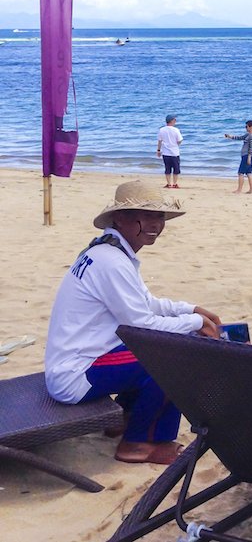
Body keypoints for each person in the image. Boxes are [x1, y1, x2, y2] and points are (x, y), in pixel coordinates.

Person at [45, 180, 222, 464]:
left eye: (159, 215)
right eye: (145, 215)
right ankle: (139, 442)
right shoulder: (112, 261)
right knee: (174, 357)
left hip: (78, 360)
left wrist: (190, 310)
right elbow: (142, 325)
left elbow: (144, 302)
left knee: (161, 346)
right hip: (76, 373)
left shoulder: (108, 252)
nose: (154, 223)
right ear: (120, 218)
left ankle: (127, 417)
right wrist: (194, 322)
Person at [224, 120, 252, 194]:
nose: (245, 128)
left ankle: (239, 190)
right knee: (249, 173)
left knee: (240, 173)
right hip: (247, 156)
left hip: (247, 156)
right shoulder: (248, 134)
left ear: (251, 127)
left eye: (246, 126)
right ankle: (250, 190)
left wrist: (249, 157)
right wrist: (230, 137)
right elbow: (240, 137)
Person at [157, 114, 183, 189]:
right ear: (172, 121)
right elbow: (180, 140)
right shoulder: (176, 130)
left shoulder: (161, 130)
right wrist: (176, 144)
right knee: (176, 169)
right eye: (175, 120)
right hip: (174, 152)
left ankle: (168, 184)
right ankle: (174, 184)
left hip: (165, 153)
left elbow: (159, 141)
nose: (175, 121)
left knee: (167, 169)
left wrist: (158, 150)